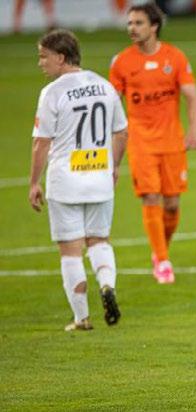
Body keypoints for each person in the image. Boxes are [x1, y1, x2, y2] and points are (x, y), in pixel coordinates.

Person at [29, 29, 128, 331]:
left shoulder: (53, 92)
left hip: (65, 181)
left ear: (61, 57)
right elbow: (122, 132)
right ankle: (107, 285)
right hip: (99, 177)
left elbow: (41, 143)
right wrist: (114, 166)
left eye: (44, 56)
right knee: (99, 240)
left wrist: (34, 182)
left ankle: (81, 317)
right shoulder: (105, 86)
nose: (40, 63)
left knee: (70, 251)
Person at [109, 2, 196, 284]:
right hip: (140, 141)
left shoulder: (174, 57)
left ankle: (161, 250)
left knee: (172, 204)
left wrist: (193, 131)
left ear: (154, 26)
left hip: (172, 141)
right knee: (150, 197)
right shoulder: (122, 62)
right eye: (130, 23)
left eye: (138, 23)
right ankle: (162, 261)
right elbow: (111, 104)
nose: (132, 28)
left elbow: (192, 96)